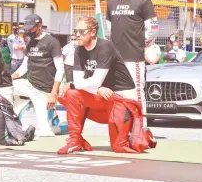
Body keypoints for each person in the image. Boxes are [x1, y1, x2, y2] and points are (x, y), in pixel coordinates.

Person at [57, 16, 156, 154]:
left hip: (122, 99)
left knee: (119, 147)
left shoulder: (105, 46)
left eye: (81, 31)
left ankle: (141, 134)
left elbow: (92, 81)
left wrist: (86, 85)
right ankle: (75, 140)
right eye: (75, 31)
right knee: (71, 94)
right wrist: (96, 88)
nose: (77, 35)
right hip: (102, 97)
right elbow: (80, 81)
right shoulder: (79, 50)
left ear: (92, 32)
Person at [106, 0, 159, 125]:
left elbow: (153, 28)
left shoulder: (143, 1)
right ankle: (121, 127)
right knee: (118, 94)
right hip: (116, 58)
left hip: (134, 57)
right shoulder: (111, 2)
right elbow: (109, 28)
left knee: (136, 93)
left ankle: (141, 129)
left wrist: (142, 45)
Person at [12, 14, 66, 137]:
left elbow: (60, 69)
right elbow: (24, 66)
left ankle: (60, 125)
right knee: (6, 87)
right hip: (30, 84)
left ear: (39, 26)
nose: (28, 31)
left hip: (45, 89)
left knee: (46, 132)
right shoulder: (30, 42)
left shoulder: (51, 42)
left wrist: (54, 93)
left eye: (31, 28)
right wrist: (10, 77)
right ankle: (13, 120)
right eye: (27, 28)